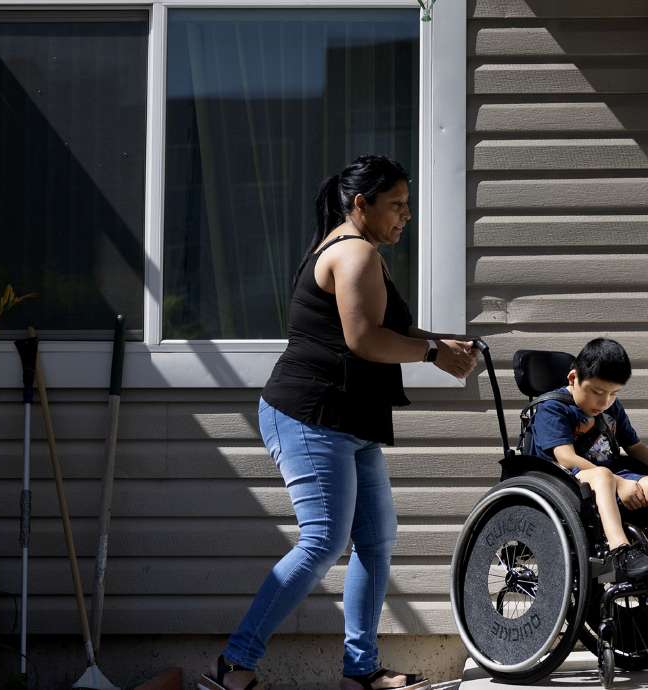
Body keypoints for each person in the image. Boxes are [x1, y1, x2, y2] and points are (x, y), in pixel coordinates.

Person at [200, 155, 478, 690]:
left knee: (375, 540)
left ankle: (362, 670)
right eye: (396, 204)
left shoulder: (356, 250)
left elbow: (381, 325)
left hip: (349, 419)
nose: (406, 215)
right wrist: (430, 355)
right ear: (361, 204)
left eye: (408, 204)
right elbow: (363, 339)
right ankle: (234, 665)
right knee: (323, 540)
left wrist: (440, 344)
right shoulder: (354, 254)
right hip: (311, 415)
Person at [528, 338, 648, 602]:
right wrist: (619, 483)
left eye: (613, 393)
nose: (604, 401)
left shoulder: (611, 408)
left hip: (607, 474)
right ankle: (620, 551)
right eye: (597, 391)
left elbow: (634, 446)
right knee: (602, 476)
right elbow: (565, 457)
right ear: (574, 378)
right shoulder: (552, 407)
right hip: (563, 479)